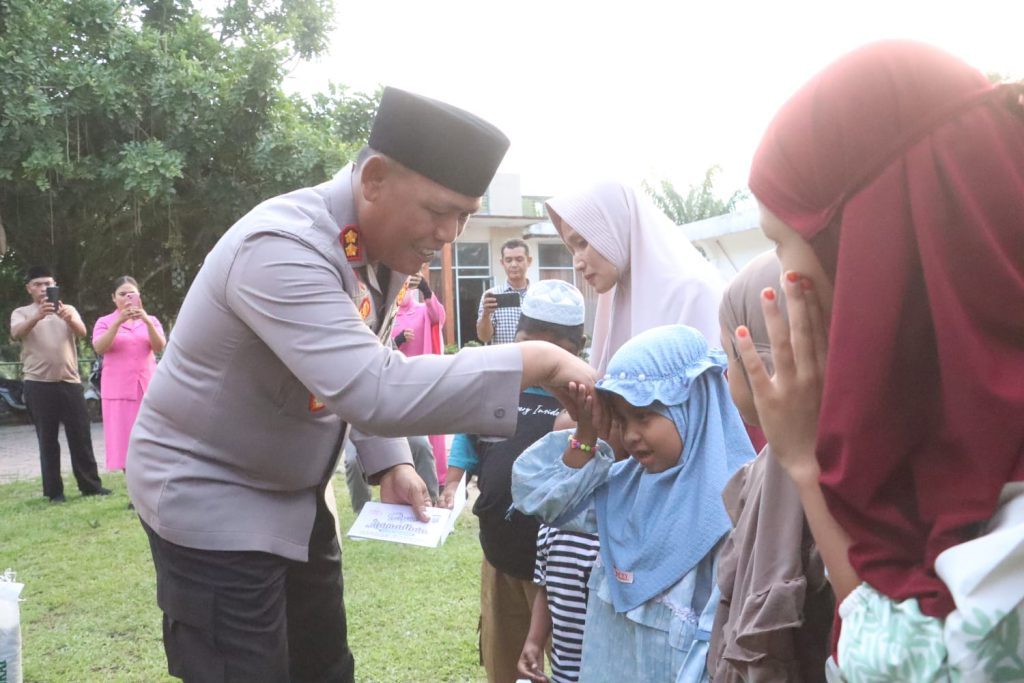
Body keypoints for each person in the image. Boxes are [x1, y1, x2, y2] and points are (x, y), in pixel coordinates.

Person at [126, 86, 596, 683]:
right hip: (213, 498)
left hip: (294, 494)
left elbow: (354, 361)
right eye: (440, 210)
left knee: (324, 667)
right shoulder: (282, 248)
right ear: (374, 179)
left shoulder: (375, 248)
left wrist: (388, 460)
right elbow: (375, 387)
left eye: (465, 215)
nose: (449, 233)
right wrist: (535, 361)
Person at [735, 41, 1024, 680]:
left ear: (875, 243)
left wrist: (805, 463)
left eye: (782, 243)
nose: (781, 279)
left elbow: (907, 664)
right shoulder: (945, 430)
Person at [512, 325, 754, 683]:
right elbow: (540, 498)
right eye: (622, 420)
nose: (630, 435)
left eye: (643, 416)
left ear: (694, 405)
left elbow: (721, 643)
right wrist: (586, 433)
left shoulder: (737, 505)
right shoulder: (624, 487)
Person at [441, 279, 586, 683]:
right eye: (527, 346)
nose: (538, 362)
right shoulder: (498, 388)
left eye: (553, 353)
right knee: (504, 659)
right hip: (500, 558)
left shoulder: (582, 399)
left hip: (561, 572)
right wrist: (451, 484)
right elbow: (468, 440)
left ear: (577, 349)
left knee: (570, 663)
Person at [707, 251, 833, 682]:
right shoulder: (768, 466)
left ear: (762, 362)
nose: (727, 377)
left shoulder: (806, 472)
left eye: (729, 356)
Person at [545, 181, 724, 374]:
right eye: (572, 249)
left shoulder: (693, 293)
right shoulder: (617, 294)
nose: (577, 263)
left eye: (582, 243)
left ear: (617, 229)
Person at [9, 266, 110, 503]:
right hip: (38, 383)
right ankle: (54, 492)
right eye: (38, 284)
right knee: (47, 439)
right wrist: (38, 316)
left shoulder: (68, 309)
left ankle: (90, 485)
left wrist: (68, 318)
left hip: (70, 381)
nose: (44, 288)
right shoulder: (22, 312)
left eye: (48, 284)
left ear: (55, 285)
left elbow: (82, 333)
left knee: (80, 436)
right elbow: (16, 333)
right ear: (29, 288)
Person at [92, 276, 166, 473]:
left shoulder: (151, 320)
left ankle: (152, 479)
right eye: (122, 294)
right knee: (124, 440)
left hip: (146, 387)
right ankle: (132, 483)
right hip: (118, 390)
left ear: (139, 296)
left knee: (150, 436)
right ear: (113, 298)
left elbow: (159, 346)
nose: (127, 298)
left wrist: (146, 321)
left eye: (131, 294)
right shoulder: (104, 322)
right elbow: (100, 347)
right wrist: (118, 323)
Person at [393, 270, 449, 485]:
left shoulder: (422, 310)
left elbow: (438, 317)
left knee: (428, 435)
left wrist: (426, 290)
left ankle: (436, 481)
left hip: (423, 380)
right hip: (397, 383)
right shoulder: (388, 315)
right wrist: (397, 341)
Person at [477, 238, 532, 345]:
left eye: (519, 259)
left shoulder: (538, 295)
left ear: (529, 261)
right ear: (502, 263)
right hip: (503, 356)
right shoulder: (492, 296)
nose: (514, 264)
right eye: (508, 260)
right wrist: (486, 314)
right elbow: (484, 337)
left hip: (532, 355)